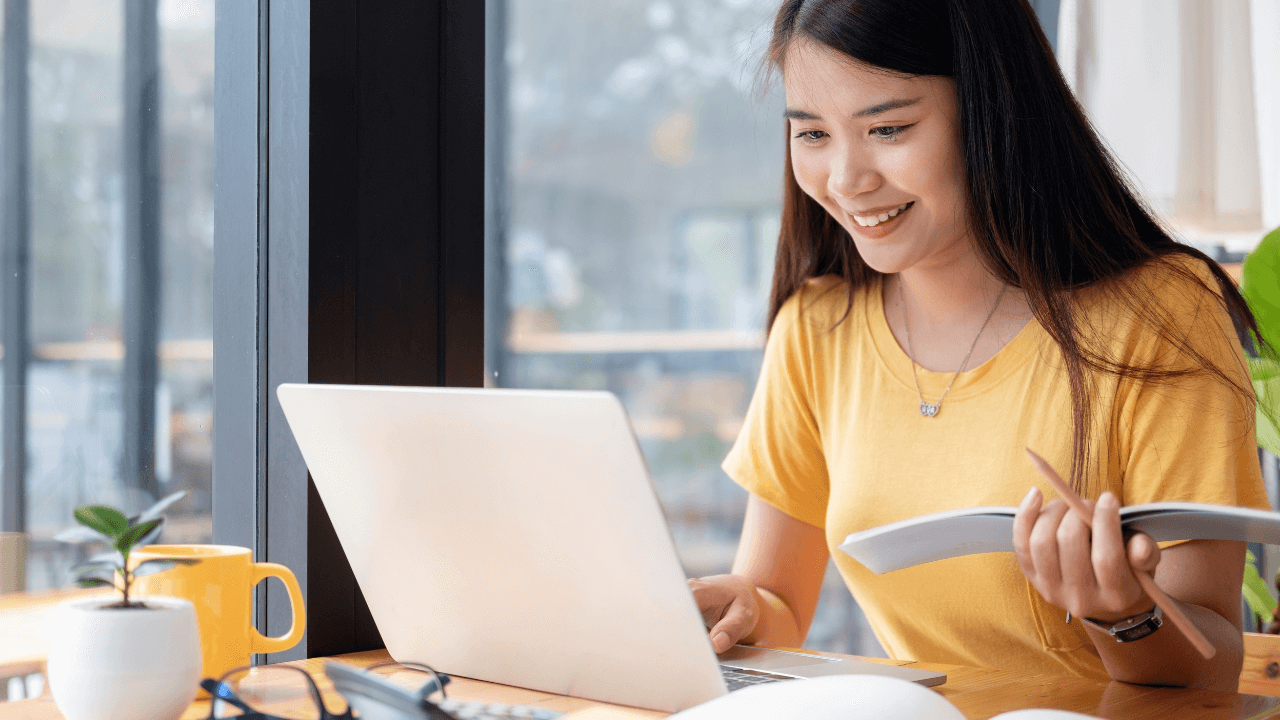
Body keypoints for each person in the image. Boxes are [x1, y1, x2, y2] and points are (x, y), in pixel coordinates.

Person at [690, 0, 1269, 691]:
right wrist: (745, 610)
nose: (846, 179)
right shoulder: (819, 326)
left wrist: (1123, 613)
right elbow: (778, 601)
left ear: (992, 110)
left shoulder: (1160, 312)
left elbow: (1211, 666)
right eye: (811, 134)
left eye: (889, 128)